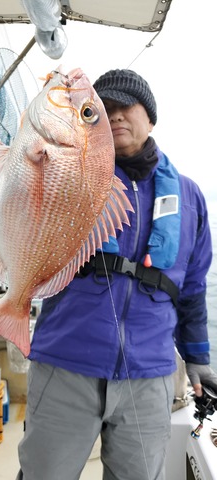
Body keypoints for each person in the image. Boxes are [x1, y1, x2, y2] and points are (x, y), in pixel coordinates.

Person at [16, 69, 217, 480]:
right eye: (105, 109)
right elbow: (26, 197)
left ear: (151, 118)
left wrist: (197, 359)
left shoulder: (189, 195)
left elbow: (192, 288)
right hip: (65, 361)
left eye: (128, 105)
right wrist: (42, 122)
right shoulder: (67, 172)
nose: (117, 115)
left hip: (150, 373)